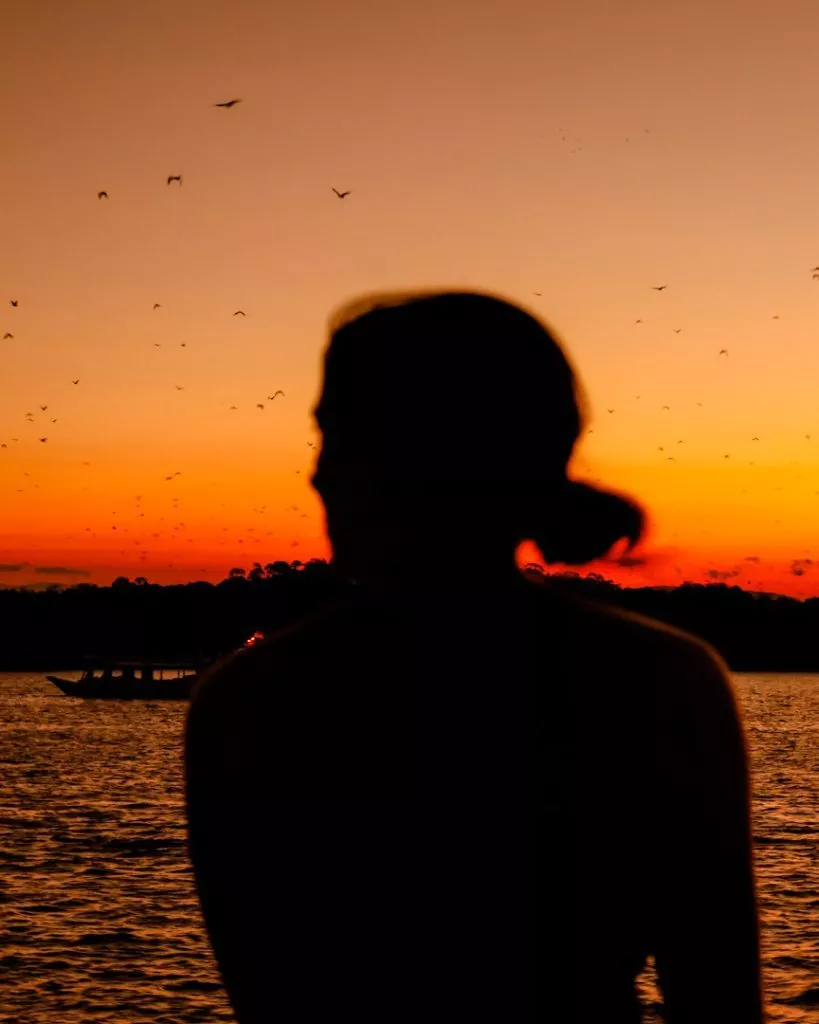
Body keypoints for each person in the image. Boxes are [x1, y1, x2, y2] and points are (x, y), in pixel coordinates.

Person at [185, 291, 763, 1022]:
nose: (317, 475)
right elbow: (719, 1002)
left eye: (339, 437)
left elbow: (267, 999)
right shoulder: (660, 681)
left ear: (429, 456)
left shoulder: (255, 699)